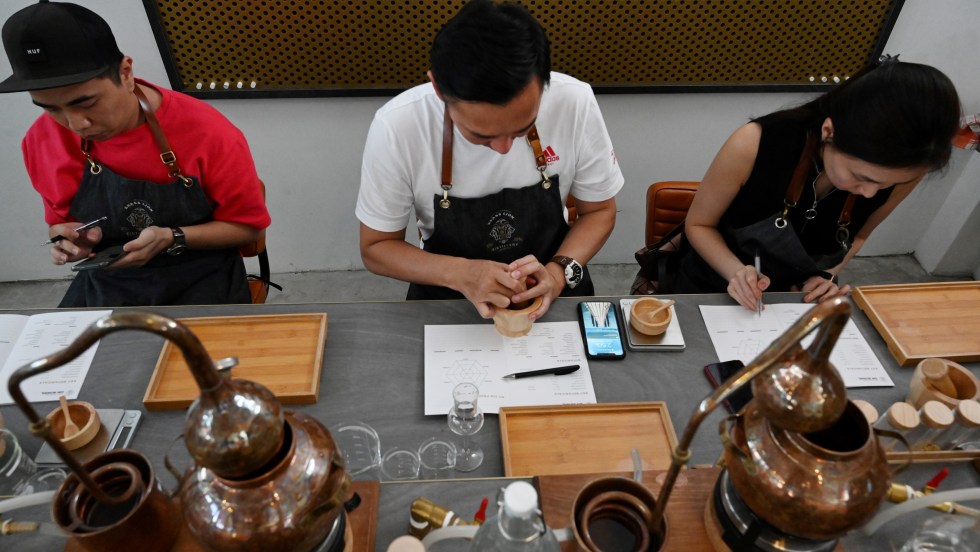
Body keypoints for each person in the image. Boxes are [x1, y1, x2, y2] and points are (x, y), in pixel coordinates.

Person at [356, 0, 623, 320]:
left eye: (522, 128)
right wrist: (461, 274)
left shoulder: (574, 102)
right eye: (481, 135)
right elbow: (376, 247)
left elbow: (599, 211)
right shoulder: (398, 127)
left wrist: (556, 274)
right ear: (439, 88)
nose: (504, 148)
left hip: (551, 289)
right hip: (448, 294)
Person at [0, 1, 270, 307]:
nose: (76, 125)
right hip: (109, 279)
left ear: (126, 72)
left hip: (201, 274)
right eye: (51, 109)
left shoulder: (208, 133)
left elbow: (248, 229)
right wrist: (71, 239)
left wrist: (171, 236)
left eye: (87, 103)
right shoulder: (41, 140)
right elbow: (61, 224)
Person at [676, 56, 960, 311]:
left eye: (885, 184)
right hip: (710, 283)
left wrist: (825, 277)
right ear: (828, 131)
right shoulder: (754, 143)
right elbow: (699, 225)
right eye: (863, 178)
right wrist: (736, 272)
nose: (870, 193)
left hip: (795, 301)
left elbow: (858, 237)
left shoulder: (903, 172)